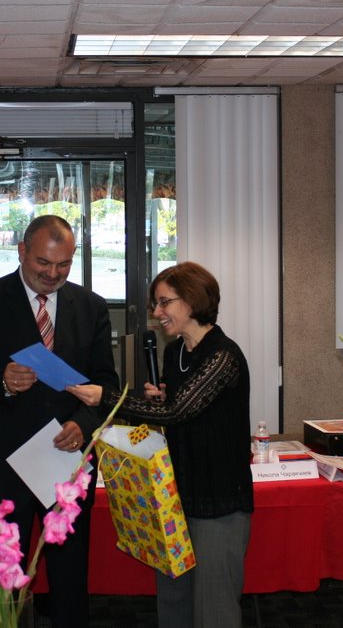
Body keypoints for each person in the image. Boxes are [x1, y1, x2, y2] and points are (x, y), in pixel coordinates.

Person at [0, 215, 119, 628]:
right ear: (22, 251)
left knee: (69, 577)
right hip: (3, 463)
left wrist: (84, 423)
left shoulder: (92, 307)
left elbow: (106, 384)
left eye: (64, 264)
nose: (53, 274)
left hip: (66, 461)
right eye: (44, 262)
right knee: (3, 580)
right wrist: (2, 381)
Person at [67, 261, 254, 628]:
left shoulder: (223, 355)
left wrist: (107, 397)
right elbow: (178, 411)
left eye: (165, 302)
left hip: (218, 501)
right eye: (156, 303)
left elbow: (177, 412)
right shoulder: (175, 352)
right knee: (173, 602)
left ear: (192, 300)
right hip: (173, 497)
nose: (156, 312)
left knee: (214, 609)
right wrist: (161, 402)